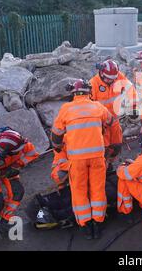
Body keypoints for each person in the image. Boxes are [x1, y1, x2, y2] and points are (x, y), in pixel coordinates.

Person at [51, 79, 113, 240]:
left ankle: (86, 225)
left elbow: (56, 134)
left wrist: (57, 147)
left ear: (73, 93)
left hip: (77, 160)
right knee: (98, 189)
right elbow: (111, 121)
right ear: (88, 92)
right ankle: (98, 223)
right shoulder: (98, 106)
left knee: (79, 191)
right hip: (97, 158)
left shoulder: (66, 109)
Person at [90, 58, 137, 168]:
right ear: (101, 73)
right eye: (108, 79)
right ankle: (102, 167)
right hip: (101, 124)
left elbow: (130, 89)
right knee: (104, 147)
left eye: (113, 79)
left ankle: (110, 163)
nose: (111, 81)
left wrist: (133, 107)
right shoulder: (93, 84)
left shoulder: (117, 76)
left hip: (114, 120)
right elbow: (89, 107)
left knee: (116, 145)